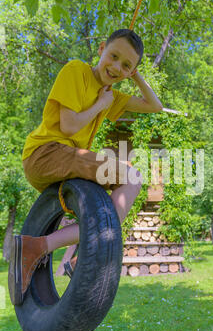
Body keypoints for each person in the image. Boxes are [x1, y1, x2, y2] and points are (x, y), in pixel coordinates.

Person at [8, 28, 163, 306]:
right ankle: (43, 246)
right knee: (132, 177)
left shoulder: (112, 95)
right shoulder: (76, 70)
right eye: (113, 56)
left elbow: (155, 106)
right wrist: (101, 103)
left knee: (114, 205)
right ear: (102, 48)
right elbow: (68, 125)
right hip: (45, 153)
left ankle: (51, 248)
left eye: (126, 65)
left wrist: (135, 74)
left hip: (66, 159)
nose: (116, 67)